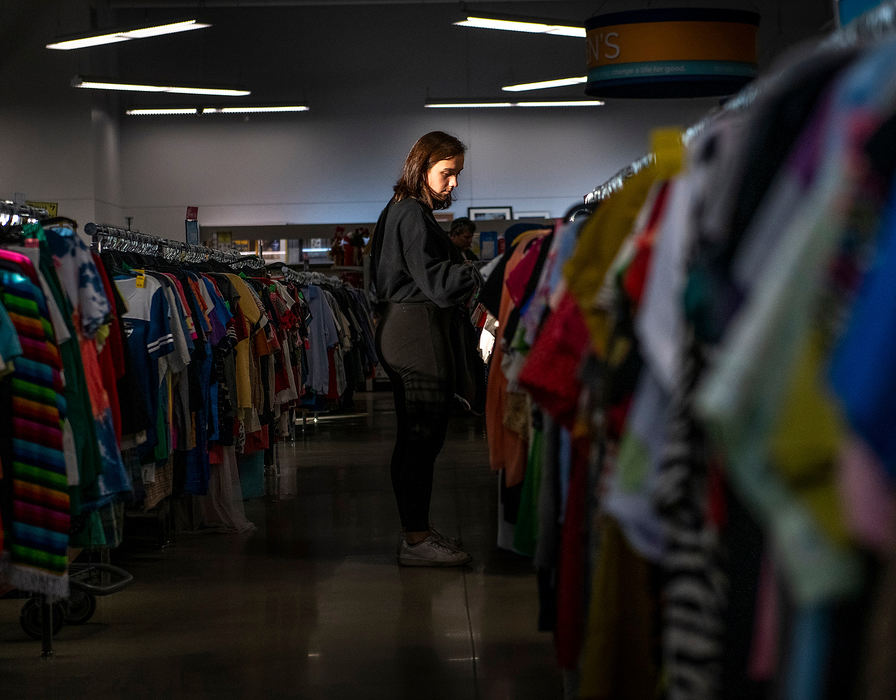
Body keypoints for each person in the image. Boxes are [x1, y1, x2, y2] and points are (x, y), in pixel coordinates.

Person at [370, 131, 480, 567]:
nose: (453, 183)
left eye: (457, 175)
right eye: (447, 173)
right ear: (422, 168)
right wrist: (477, 272)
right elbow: (436, 284)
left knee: (415, 440)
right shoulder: (414, 214)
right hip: (416, 332)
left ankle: (416, 531)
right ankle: (416, 540)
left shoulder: (395, 211)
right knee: (422, 439)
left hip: (400, 329)